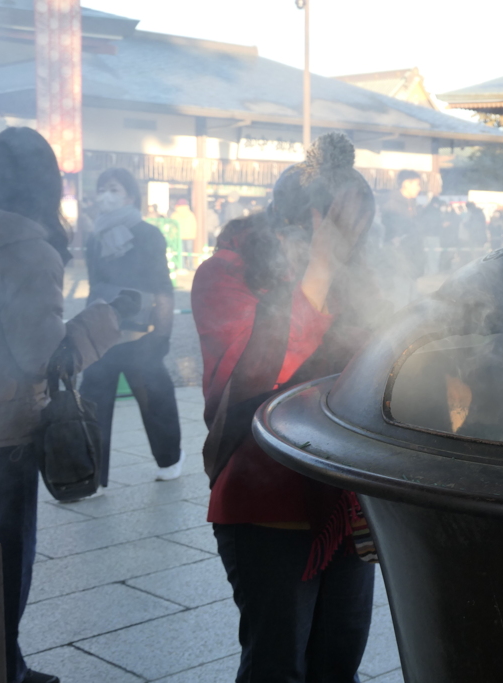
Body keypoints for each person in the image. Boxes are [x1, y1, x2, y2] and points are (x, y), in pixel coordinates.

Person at [193, 133, 382, 683]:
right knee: (277, 664)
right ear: (297, 221)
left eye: (359, 232)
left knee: (337, 660)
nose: (352, 244)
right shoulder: (224, 274)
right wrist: (320, 264)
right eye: (340, 228)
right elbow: (263, 370)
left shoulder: (356, 276)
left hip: (346, 500)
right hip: (265, 498)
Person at [0, 127, 123, 683]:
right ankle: (6, 666)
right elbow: (38, 356)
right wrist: (102, 322)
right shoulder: (26, 249)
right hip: (4, 434)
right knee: (8, 559)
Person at [81, 168, 184, 487]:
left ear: (129, 195)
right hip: (102, 335)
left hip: (141, 337)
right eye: (101, 189)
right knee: (92, 406)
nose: (105, 195)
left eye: (112, 189)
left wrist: (161, 336)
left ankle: (169, 459)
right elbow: (95, 284)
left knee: (156, 400)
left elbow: (162, 287)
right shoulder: (94, 239)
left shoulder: (148, 234)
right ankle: (92, 475)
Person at [171, 198, 198, 270]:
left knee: (181, 252)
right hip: (189, 236)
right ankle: (190, 266)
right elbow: (194, 225)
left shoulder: (175, 215)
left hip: (179, 236)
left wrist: (173, 236)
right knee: (189, 251)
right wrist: (193, 234)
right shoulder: (191, 214)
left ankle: (182, 266)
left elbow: (173, 227)